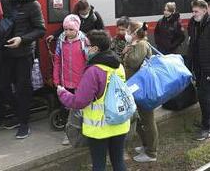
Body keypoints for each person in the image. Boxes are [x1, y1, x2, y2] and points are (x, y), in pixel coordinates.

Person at [57, 30, 129, 171]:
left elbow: (80, 101)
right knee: (118, 162)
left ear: (95, 49)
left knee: (99, 164)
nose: (84, 47)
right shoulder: (118, 65)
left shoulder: (94, 71)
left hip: (100, 129)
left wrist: (63, 93)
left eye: (87, 45)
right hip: (120, 122)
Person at [0, 0, 46, 139]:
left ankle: (24, 123)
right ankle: (18, 115)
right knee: (3, 85)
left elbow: (41, 29)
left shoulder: (33, 5)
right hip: (5, 52)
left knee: (22, 88)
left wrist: (22, 39)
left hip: (24, 53)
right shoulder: (3, 1)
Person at [122, 21, 157, 162]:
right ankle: (146, 145)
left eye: (128, 31)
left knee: (148, 120)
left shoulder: (141, 44)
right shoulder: (135, 44)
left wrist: (127, 51)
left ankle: (152, 153)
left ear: (135, 33)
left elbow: (134, 62)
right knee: (139, 118)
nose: (126, 34)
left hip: (143, 90)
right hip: (135, 88)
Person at [52, 14, 88, 145]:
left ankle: (84, 131)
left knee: (82, 108)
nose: (67, 32)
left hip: (81, 82)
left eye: (71, 29)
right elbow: (57, 61)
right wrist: (56, 78)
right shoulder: (61, 42)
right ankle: (69, 134)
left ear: (77, 29)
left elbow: (89, 62)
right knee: (67, 108)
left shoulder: (84, 42)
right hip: (65, 81)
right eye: (65, 29)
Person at [187, 0, 210, 141]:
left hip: (207, 69)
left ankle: (207, 128)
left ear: (205, 9)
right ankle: (205, 122)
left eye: (196, 11)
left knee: (204, 97)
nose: (194, 14)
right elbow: (193, 46)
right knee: (203, 96)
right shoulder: (195, 24)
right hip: (199, 67)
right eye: (193, 11)